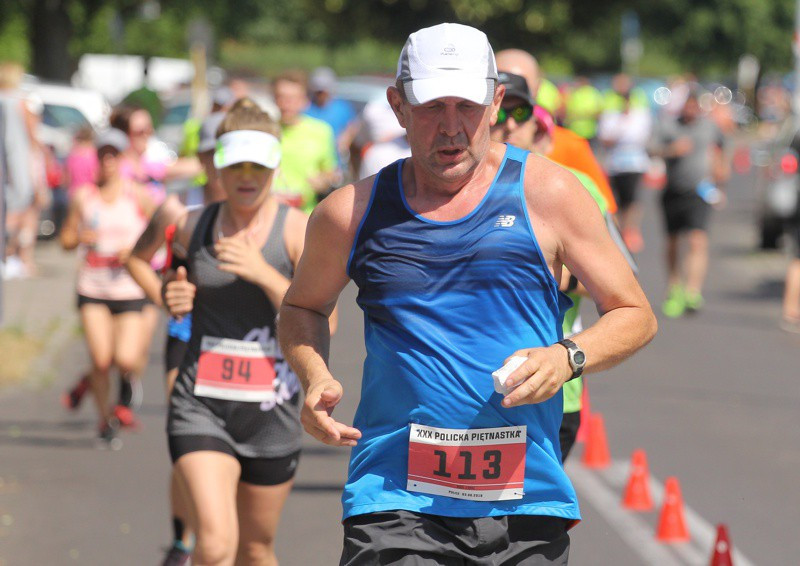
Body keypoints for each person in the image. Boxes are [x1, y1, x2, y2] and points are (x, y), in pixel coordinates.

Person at [278, 23, 657, 564]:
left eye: (469, 106)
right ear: (398, 105)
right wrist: (313, 375)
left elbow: (635, 312)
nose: (451, 128)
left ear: (497, 101)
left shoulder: (549, 193)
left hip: (524, 502)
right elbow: (302, 306)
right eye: (432, 106)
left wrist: (568, 357)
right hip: (394, 500)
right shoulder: (351, 212)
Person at [162, 98, 317, 565]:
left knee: (255, 548)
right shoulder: (191, 226)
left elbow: (326, 322)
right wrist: (171, 295)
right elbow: (172, 288)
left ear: (275, 167)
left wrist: (264, 273)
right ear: (216, 165)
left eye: (258, 166)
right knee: (215, 544)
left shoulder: (296, 230)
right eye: (236, 166)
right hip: (200, 404)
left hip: (271, 413)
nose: (246, 177)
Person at [124, 112, 227, 565]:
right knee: (188, 440)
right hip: (186, 338)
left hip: (242, 344)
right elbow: (136, 259)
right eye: (214, 155)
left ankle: (221, 534)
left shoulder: (268, 213)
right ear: (201, 158)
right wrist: (166, 298)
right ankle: (186, 541)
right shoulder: (177, 208)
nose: (226, 167)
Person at [59, 128, 157, 448]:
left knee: (126, 358)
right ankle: (106, 420)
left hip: (129, 287)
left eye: (114, 154)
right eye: (103, 155)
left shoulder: (138, 194)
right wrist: (80, 239)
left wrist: (138, 253)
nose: (108, 161)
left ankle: (122, 386)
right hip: (93, 285)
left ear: (122, 157)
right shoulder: (83, 196)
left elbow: (160, 231)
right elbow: (66, 239)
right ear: (96, 159)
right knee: (101, 359)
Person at [649, 86, 730, 317]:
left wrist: (722, 169)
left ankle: (693, 291)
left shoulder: (709, 126)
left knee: (697, 240)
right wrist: (671, 150)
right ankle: (674, 288)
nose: (692, 109)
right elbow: (650, 150)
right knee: (673, 242)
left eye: (695, 105)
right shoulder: (669, 126)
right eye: (688, 105)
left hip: (700, 191)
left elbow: (723, 145)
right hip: (673, 191)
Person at [271, 70, 339, 213]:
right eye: (281, 97)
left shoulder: (321, 131)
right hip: (269, 213)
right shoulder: (265, 131)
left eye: (292, 98)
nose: (286, 104)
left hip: (305, 214)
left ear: (305, 100)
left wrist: (323, 182)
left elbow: (331, 172)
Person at [598, 77, 652, 253]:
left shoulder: (641, 114)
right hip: (616, 164)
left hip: (635, 163)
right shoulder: (611, 115)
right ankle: (619, 230)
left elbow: (643, 136)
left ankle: (630, 229)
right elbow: (605, 138)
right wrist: (619, 130)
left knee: (633, 199)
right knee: (617, 200)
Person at [305, 66, 359, 169]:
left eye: (323, 91)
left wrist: (346, 139)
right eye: (318, 91)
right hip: (314, 161)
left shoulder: (342, 107)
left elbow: (353, 126)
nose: (321, 95)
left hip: (337, 161)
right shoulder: (306, 108)